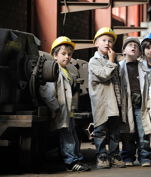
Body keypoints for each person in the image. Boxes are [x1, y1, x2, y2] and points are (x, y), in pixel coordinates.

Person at [39, 36, 90, 172]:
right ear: (54, 55)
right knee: (67, 136)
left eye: (69, 54)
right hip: (60, 110)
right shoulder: (52, 70)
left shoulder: (67, 71)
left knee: (73, 134)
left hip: (68, 110)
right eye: (63, 54)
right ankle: (70, 162)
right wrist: (54, 108)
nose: (67, 57)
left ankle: (76, 158)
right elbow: (47, 91)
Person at [88, 27, 125, 169]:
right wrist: (111, 60)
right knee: (100, 131)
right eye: (103, 40)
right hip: (101, 102)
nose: (107, 43)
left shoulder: (113, 61)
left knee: (115, 131)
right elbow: (103, 75)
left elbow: (117, 82)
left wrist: (120, 100)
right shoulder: (93, 61)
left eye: (110, 41)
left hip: (114, 102)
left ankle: (114, 155)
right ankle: (102, 155)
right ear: (96, 43)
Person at [119, 37, 151, 167]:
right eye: (130, 45)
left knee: (143, 131)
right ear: (124, 51)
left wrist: (150, 104)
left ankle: (145, 157)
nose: (133, 47)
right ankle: (127, 156)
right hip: (126, 104)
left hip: (141, 104)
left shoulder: (144, 68)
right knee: (127, 132)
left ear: (139, 52)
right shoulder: (119, 67)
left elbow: (150, 86)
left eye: (136, 46)